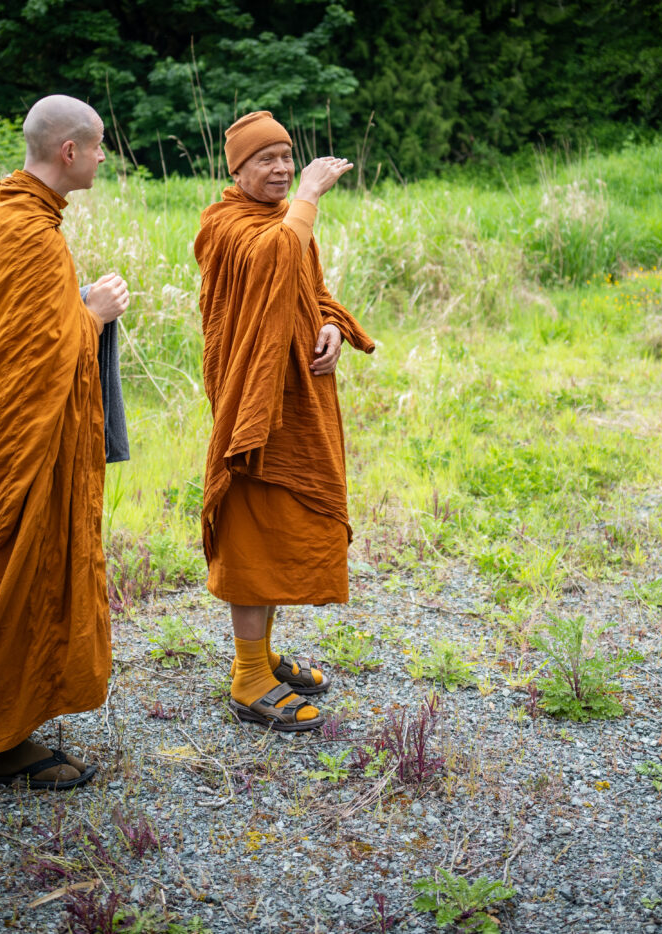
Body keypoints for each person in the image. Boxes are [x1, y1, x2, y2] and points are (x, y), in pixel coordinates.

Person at [0, 95, 128, 788]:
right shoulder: (30, 233)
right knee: (1, 583)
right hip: (5, 448)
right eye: (98, 146)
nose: (104, 158)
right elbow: (33, 357)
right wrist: (92, 314)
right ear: (68, 152)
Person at [195, 111, 374, 732]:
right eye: (264, 161)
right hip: (253, 406)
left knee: (280, 529)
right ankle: (248, 680)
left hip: (300, 398)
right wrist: (308, 197)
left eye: (286, 158)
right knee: (252, 527)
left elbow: (310, 287)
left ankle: (261, 656)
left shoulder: (283, 221)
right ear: (236, 169)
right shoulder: (228, 227)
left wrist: (329, 325)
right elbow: (273, 260)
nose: (279, 170)